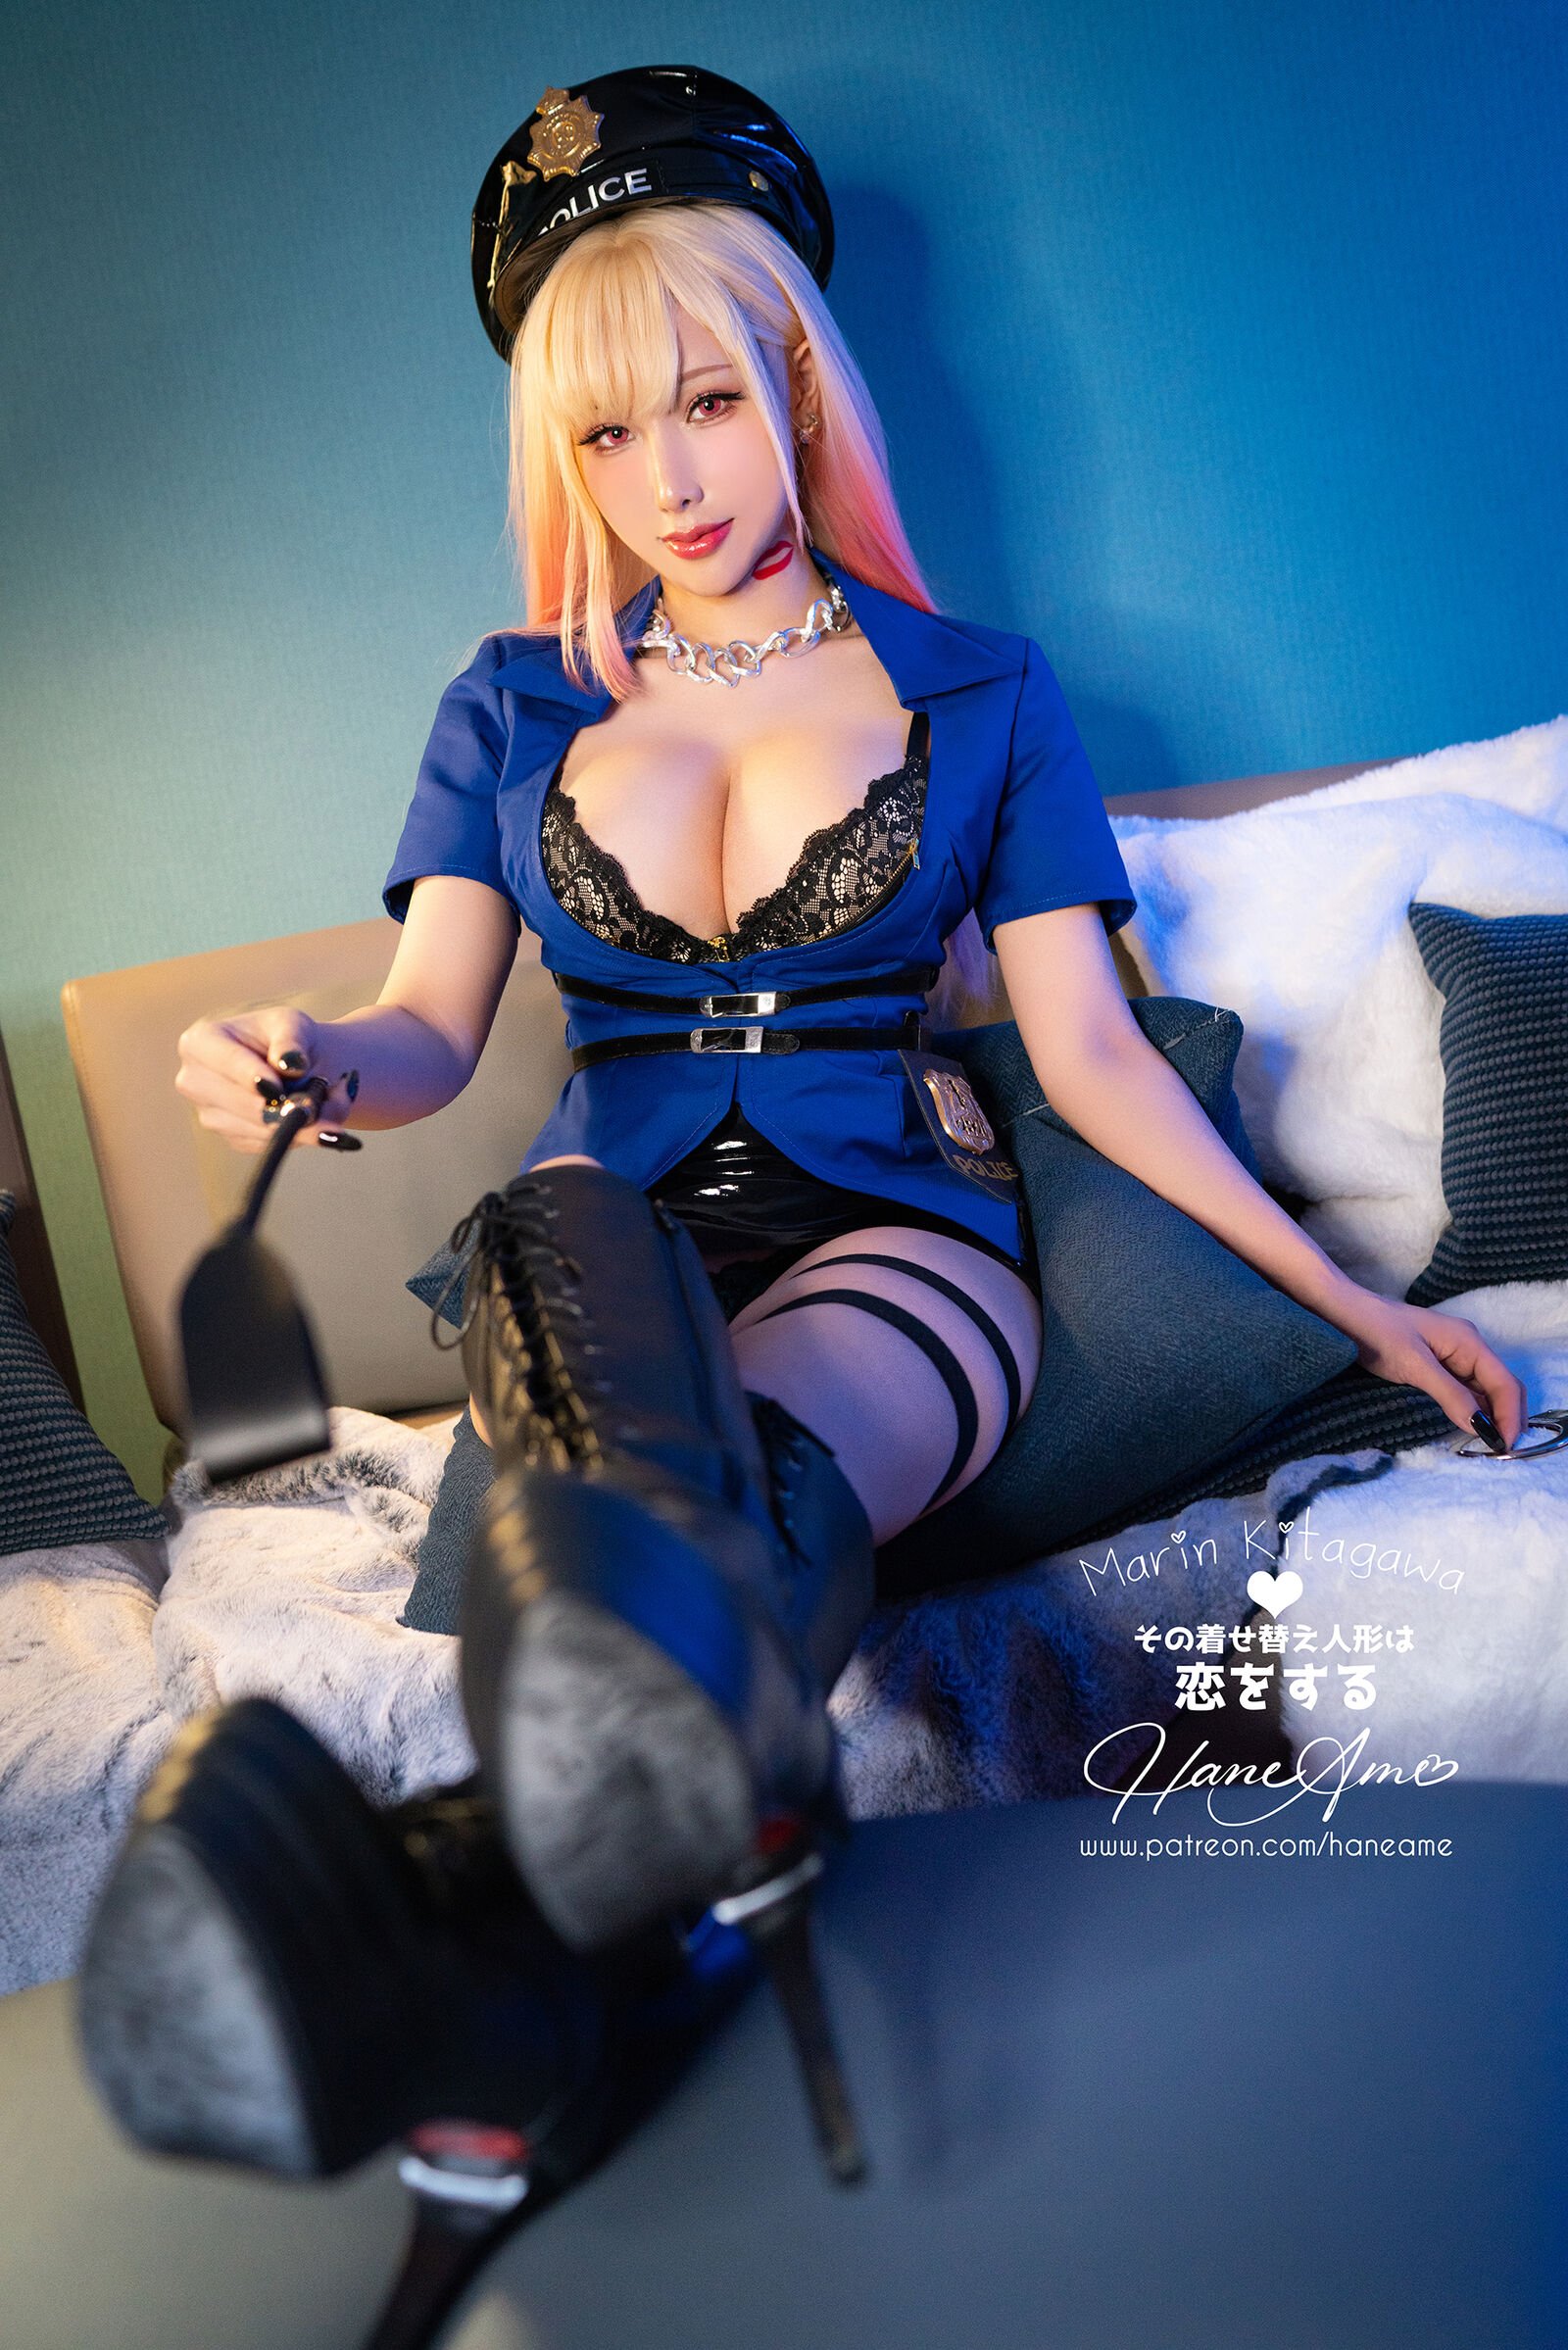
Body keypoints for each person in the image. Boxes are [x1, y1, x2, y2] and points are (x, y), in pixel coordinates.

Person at [101, 67, 1528, 2225]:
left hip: (888, 1224)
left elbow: (1095, 1055)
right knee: (588, 1308)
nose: (666, 479)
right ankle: (608, 1910)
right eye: (605, 435)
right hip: (606, 1221)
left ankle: (462, 1914)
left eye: (703, 402)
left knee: (724, 1489)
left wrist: (1345, 1296)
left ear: (791, 376)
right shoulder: (509, 701)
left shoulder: (982, 692)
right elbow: (425, 1033)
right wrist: (309, 1058)